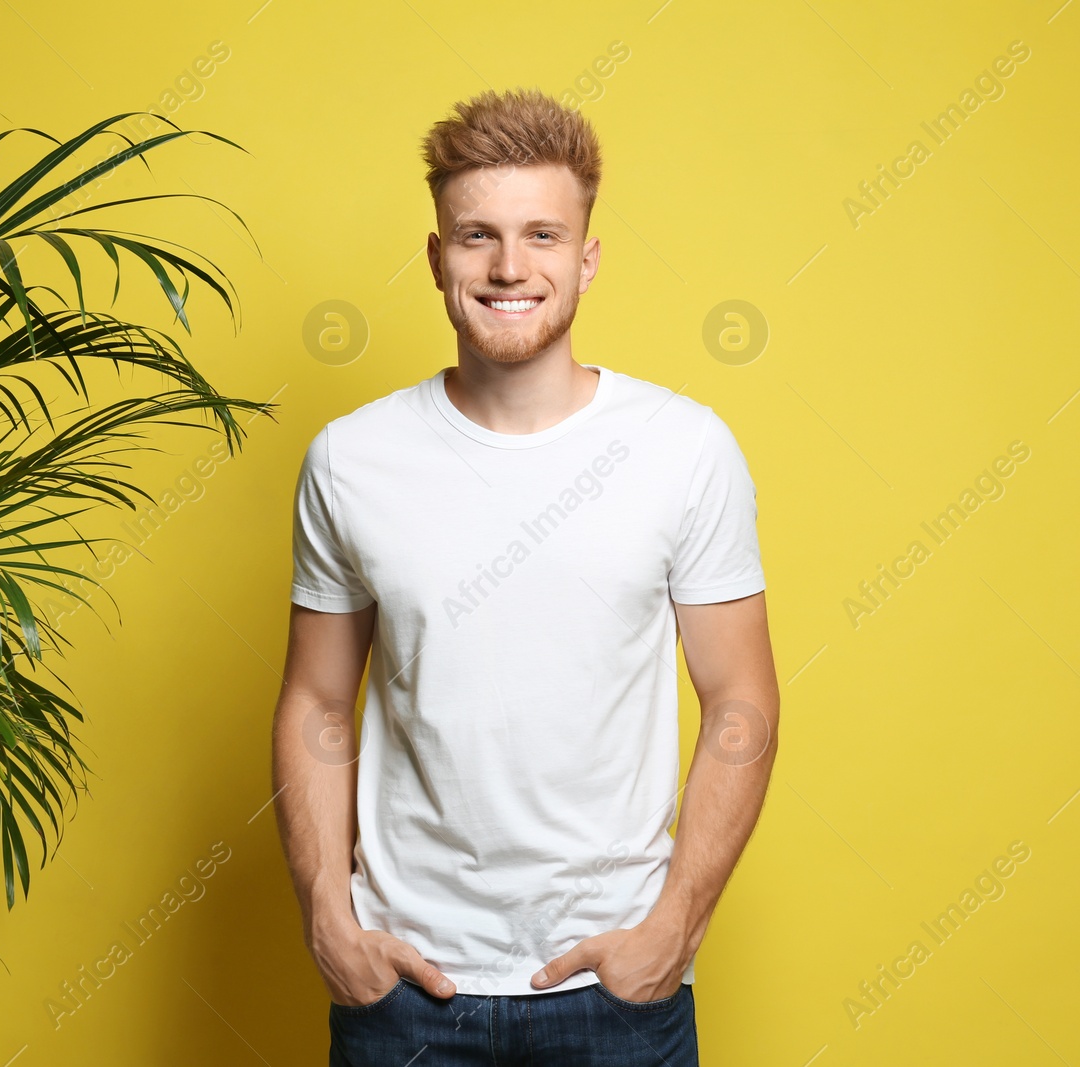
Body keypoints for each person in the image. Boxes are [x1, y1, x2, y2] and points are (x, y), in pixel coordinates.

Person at [273, 86, 780, 1066]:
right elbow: (315, 697)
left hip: (614, 988)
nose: (510, 267)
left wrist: (675, 923)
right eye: (478, 237)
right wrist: (327, 918)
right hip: (406, 989)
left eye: (542, 234)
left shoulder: (682, 448)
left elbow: (739, 698)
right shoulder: (351, 458)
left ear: (585, 258)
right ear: (437, 258)